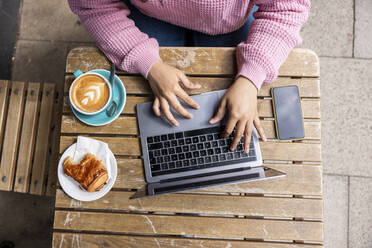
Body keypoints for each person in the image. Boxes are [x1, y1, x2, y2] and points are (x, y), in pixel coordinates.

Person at [68, 0, 310, 153]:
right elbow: (93, 5)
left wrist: (251, 78)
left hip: (226, 21)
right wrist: (146, 62)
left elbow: (287, 7)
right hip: (153, 14)